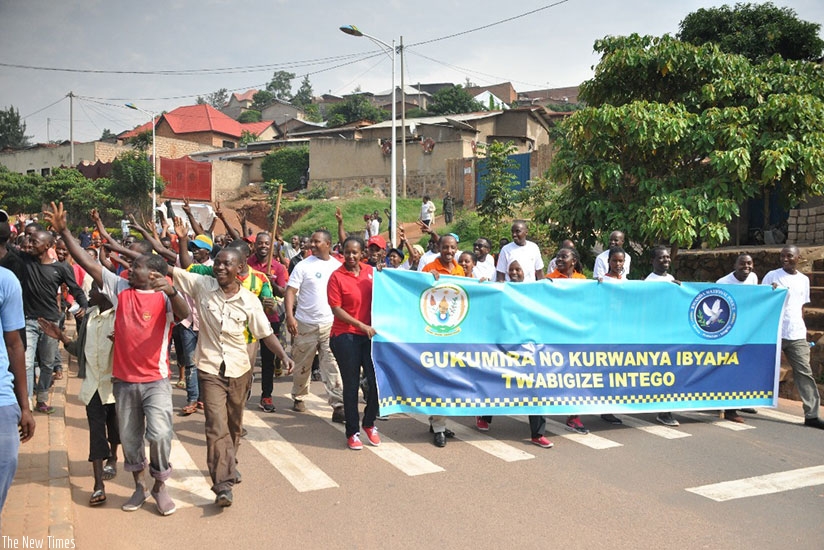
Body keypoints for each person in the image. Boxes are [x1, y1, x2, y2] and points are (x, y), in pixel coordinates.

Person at [46, 202, 190, 517]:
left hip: (156, 381)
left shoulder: (165, 296)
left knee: (160, 434)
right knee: (131, 439)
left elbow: (184, 314)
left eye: (135, 266)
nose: (128, 269)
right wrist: (65, 232)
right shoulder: (121, 288)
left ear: (153, 273)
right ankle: (139, 486)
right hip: (123, 382)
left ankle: (160, 486)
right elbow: (87, 262)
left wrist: (172, 292)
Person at [173, 248, 295, 506]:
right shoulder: (202, 285)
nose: (219, 267)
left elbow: (265, 333)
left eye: (226, 264)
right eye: (217, 263)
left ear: (240, 268)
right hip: (210, 369)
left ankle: (229, 461)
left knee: (233, 426)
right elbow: (170, 270)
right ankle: (223, 485)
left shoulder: (250, 300)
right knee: (215, 425)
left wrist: (284, 356)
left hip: (239, 369)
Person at [39, 283, 119, 506]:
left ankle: (113, 457)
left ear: (104, 293)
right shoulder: (89, 317)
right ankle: (98, 484)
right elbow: (79, 350)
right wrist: (61, 337)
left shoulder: (119, 317)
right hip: (92, 386)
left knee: (115, 427)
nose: (88, 294)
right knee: (96, 432)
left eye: (93, 290)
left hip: (115, 386)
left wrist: (123, 343)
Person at [476, 261, 553, 448]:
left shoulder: (534, 292)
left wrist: (552, 286)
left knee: (535, 388)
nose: (514, 272)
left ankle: (537, 434)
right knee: (496, 382)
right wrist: (482, 285)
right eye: (511, 269)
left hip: (528, 348)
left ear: (525, 271)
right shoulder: (500, 290)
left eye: (518, 269)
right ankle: (484, 417)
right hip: (503, 346)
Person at [20, 227, 88, 414]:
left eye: (34, 242)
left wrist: (84, 307)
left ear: (47, 246)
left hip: (51, 323)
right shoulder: (25, 261)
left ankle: (42, 399)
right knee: (27, 363)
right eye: (29, 241)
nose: (30, 245)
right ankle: (27, 400)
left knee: (47, 363)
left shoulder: (61, 268)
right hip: (29, 320)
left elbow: (75, 289)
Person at [285, 230, 345, 422]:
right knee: (303, 365)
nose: (312, 245)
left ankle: (338, 405)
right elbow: (290, 291)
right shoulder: (303, 266)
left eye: (317, 241)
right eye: (312, 241)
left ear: (328, 244)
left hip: (330, 324)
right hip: (305, 324)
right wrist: (290, 317)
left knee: (332, 364)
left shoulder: (338, 266)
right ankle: (299, 396)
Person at [327, 236, 381, 450]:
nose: (350, 256)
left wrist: (432, 278)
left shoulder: (371, 272)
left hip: (369, 336)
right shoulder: (336, 277)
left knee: (376, 382)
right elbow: (336, 309)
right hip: (345, 336)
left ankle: (369, 423)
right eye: (347, 252)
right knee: (351, 385)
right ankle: (352, 432)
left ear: (362, 254)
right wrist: (361, 325)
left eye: (355, 252)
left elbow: (396, 287)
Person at [762, 246, 824, 429]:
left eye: (789, 256)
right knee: (760, 367)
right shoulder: (772, 276)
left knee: (804, 372)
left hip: (796, 333)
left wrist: (802, 331)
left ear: (798, 258)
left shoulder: (804, 280)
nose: (785, 259)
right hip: (774, 332)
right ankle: (741, 403)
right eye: (782, 256)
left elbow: (801, 307)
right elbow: (762, 301)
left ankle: (812, 415)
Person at [0, 264, 35, 525]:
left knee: (6, 462)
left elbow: (14, 344)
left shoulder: (6, 280)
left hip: (2, 397)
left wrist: (24, 406)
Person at [423, 234, 465, 446]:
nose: (449, 251)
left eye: (452, 248)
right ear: (439, 247)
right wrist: (427, 279)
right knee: (439, 381)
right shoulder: (429, 268)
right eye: (445, 247)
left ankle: (437, 421)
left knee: (449, 382)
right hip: (434, 336)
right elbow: (418, 294)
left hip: (455, 336)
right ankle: (439, 427)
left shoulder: (461, 271)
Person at [547, 248, 591, 434]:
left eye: (563, 257)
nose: (559, 259)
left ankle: (574, 416)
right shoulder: (548, 280)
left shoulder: (583, 281)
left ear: (573, 261)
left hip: (577, 335)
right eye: (557, 256)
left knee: (576, 375)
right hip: (554, 335)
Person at [247, 231, 289, 413]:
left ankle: (266, 395)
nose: (263, 246)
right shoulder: (247, 264)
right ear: (255, 245)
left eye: (267, 243)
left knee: (267, 360)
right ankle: (244, 388)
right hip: (247, 318)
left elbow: (282, 292)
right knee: (246, 359)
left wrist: (272, 283)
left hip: (270, 318)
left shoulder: (278, 267)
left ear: (272, 246)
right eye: (260, 243)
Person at [716, 254, 757, 423]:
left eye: (749, 263)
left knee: (744, 368)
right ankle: (730, 410)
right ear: (735, 265)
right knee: (730, 369)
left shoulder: (753, 278)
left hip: (747, 332)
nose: (746, 267)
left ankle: (741, 401)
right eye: (742, 264)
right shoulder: (723, 283)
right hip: (728, 333)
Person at [645, 246, 681, 427]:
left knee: (668, 374)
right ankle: (663, 411)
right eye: (661, 258)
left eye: (667, 257)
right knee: (660, 374)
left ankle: (665, 410)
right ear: (653, 261)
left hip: (670, 334)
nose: (665, 260)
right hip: (656, 335)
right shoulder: (648, 282)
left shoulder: (671, 279)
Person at [593, 247, 627, 425]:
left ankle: (610, 407)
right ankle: (603, 408)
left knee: (617, 371)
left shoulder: (627, 283)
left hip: (622, 332)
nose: (618, 264)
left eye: (621, 261)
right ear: (608, 262)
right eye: (614, 260)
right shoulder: (602, 281)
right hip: (606, 332)